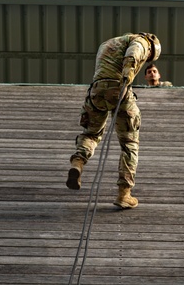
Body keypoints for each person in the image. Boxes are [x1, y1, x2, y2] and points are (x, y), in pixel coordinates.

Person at [66, 32, 162, 208]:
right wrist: (128, 75)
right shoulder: (141, 41)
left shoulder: (107, 43)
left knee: (91, 134)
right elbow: (134, 53)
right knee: (129, 144)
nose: (147, 59)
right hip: (119, 88)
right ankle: (124, 194)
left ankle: (78, 163)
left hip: (96, 91)